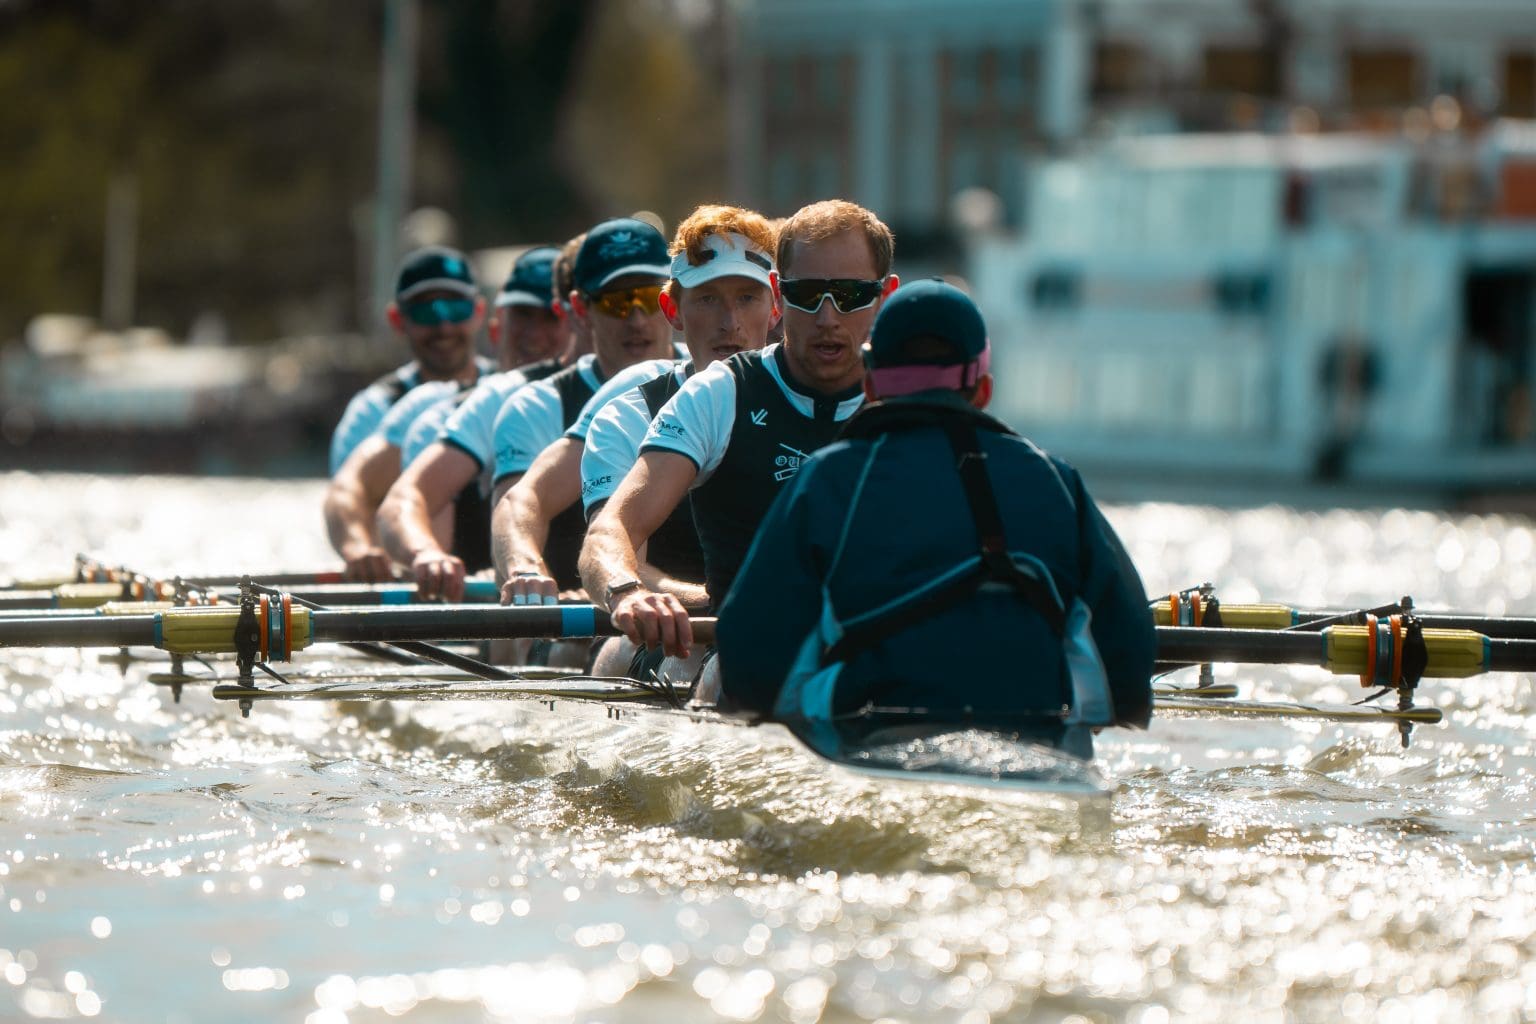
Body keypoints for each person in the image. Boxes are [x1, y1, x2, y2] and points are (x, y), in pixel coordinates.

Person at [715, 280, 1155, 758]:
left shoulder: (829, 481)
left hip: (877, 754)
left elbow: (747, 669)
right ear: (983, 390)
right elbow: (1130, 685)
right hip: (1041, 760)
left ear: (869, 385)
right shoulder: (1058, 482)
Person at [580, 199, 897, 660]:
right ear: (779, 293)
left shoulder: (910, 400)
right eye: (807, 294)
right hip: (744, 660)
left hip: (878, 657)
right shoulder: (718, 393)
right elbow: (609, 532)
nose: (827, 317)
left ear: (884, 296)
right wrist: (627, 592)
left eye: (850, 295)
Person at [496, 203, 779, 663]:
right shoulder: (631, 406)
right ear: (676, 311)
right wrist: (526, 568)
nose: (730, 322)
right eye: (708, 299)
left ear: (776, 305)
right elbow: (601, 540)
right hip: (668, 636)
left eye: (747, 298)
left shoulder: (836, 392)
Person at [381, 218, 673, 601]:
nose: (635, 318)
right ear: (579, 310)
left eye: (649, 297)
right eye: (615, 302)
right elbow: (512, 506)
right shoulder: (527, 402)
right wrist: (517, 568)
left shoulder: (713, 383)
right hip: (568, 612)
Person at [323, 246, 568, 581]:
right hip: (450, 584)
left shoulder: (614, 403)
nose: (444, 325)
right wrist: (363, 549)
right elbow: (350, 491)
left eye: (551, 317)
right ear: (497, 328)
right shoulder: (410, 408)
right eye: (523, 316)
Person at [327, 246, 495, 476]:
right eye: (426, 312)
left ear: (479, 312)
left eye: (457, 309)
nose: (444, 327)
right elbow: (345, 494)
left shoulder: (509, 393)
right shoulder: (372, 413)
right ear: (397, 320)